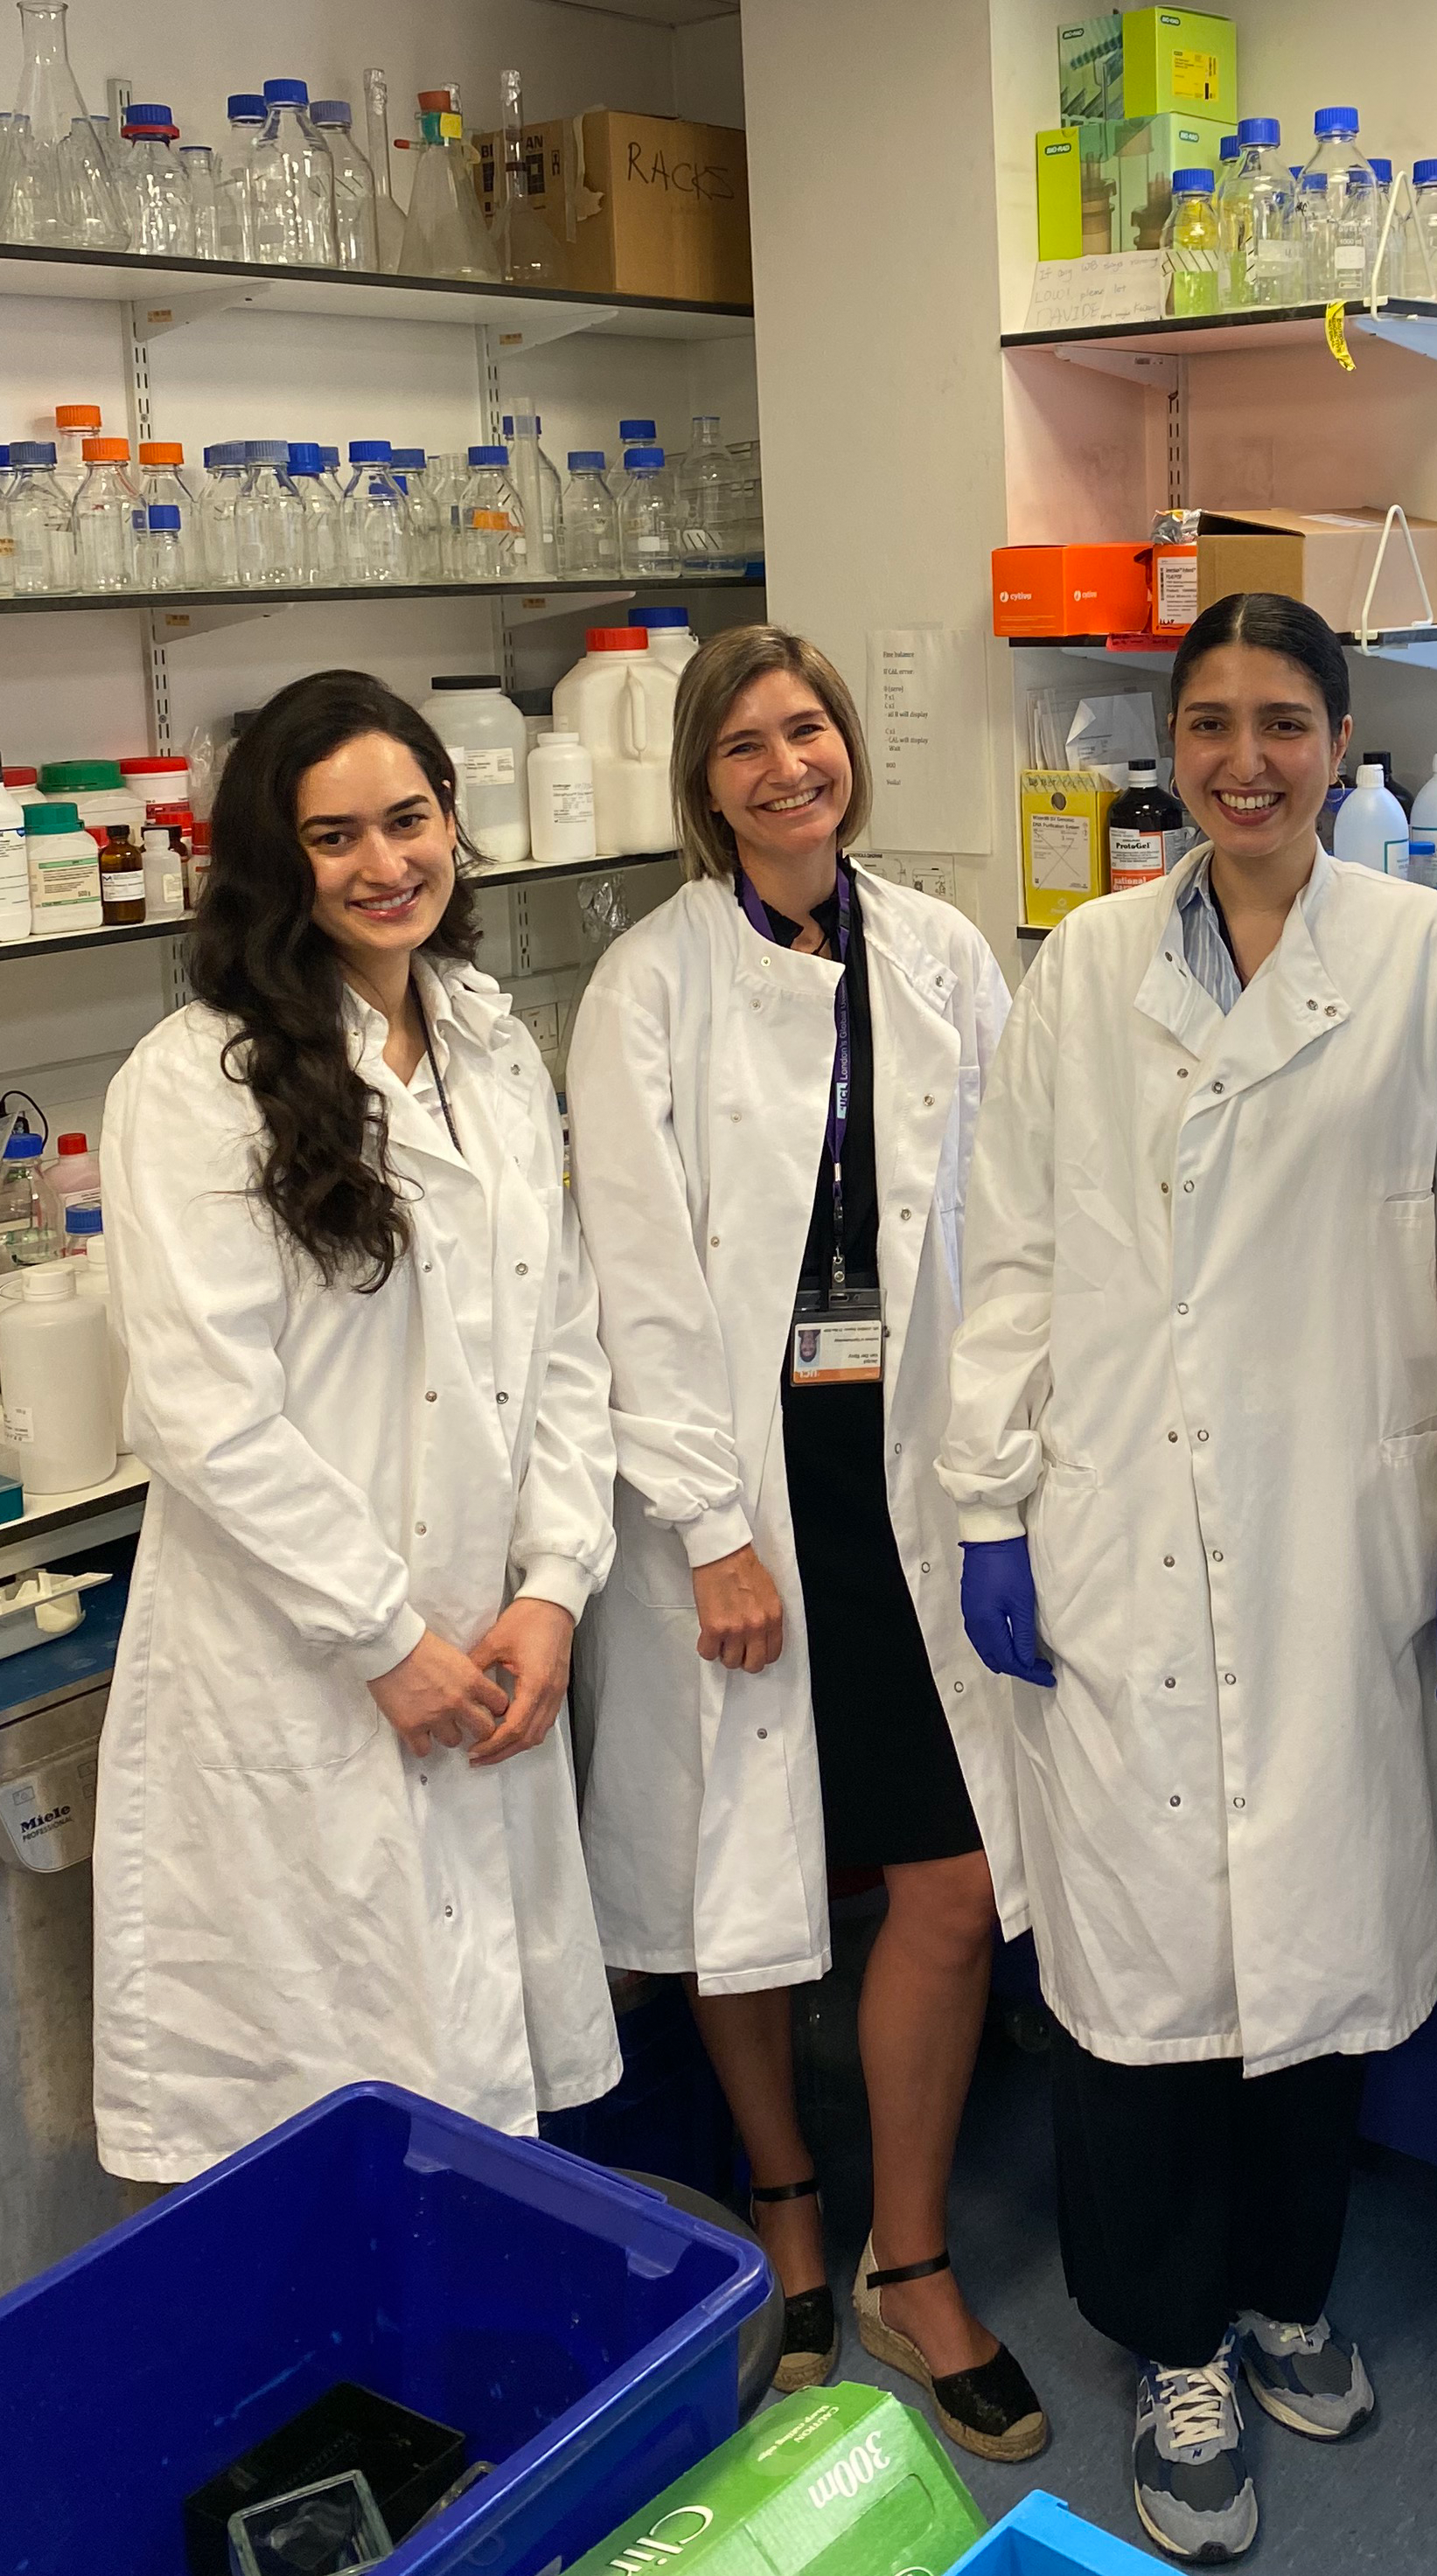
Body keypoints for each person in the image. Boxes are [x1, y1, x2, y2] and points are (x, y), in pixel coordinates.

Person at [943, 590, 1437, 2563]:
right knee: (1136, 1985)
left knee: (1317, 1966)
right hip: (1123, 1520)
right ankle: (1171, 2344)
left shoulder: (1435, 964)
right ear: (1170, 745)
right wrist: (990, 1501)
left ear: (1342, 738)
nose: (1244, 761)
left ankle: (1288, 2287)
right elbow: (1010, 1245)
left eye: (1284, 722)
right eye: (1209, 723)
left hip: (1345, 1535)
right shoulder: (1085, 968)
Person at [568, 623, 1044, 2461]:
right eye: (748, 745)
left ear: (850, 750)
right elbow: (644, 1281)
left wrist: (1009, 1471)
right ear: (704, 786)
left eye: (812, 729)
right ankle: (783, 2208)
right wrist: (706, 1528)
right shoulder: (649, 986)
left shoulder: (937, 955)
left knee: (947, 1878)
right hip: (742, 1493)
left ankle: (907, 2260)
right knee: (736, 1884)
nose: (789, 765)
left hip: (910, 1476)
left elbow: (1008, 1226)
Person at [91, 670, 621, 2185]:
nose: (387, 865)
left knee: (476, 2104)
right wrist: (380, 1637)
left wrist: (554, 1584)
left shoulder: (491, 1046)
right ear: (275, 862)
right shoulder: (193, 1087)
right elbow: (203, 1413)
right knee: (316, 2129)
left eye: (410, 820)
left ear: (454, 819)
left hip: (483, 1648)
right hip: (302, 1671)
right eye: (336, 839)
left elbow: (558, 1342)